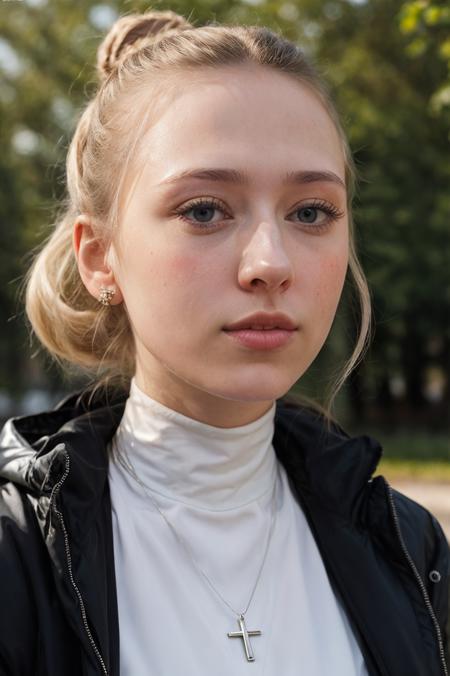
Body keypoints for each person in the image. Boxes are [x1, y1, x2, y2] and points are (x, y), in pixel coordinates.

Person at [0, 9, 448, 676]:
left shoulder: (411, 550)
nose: (271, 262)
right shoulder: (16, 558)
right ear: (100, 257)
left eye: (310, 212)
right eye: (205, 210)